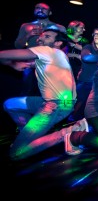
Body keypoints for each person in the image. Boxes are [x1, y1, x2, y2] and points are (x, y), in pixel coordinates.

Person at [1, 26, 85, 161]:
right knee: (10, 104)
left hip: (56, 106)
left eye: (47, 37)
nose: (40, 38)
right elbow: (18, 62)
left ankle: (67, 132)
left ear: (58, 43)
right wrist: (14, 65)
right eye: (41, 36)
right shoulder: (56, 56)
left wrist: (12, 64)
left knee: (16, 154)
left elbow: (4, 55)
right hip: (53, 102)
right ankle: (30, 137)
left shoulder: (48, 51)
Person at [14, 3, 66, 96]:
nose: (40, 10)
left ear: (50, 13)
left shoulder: (59, 28)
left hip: (50, 64)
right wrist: (28, 35)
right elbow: (18, 46)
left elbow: (65, 47)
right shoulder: (26, 26)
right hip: (30, 64)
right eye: (37, 8)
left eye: (44, 8)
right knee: (27, 91)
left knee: (49, 93)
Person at [68, 27, 98, 122]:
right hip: (87, 83)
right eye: (95, 34)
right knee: (79, 108)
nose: (96, 35)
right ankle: (71, 128)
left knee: (96, 111)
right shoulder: (88, 47)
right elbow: (86, 58)